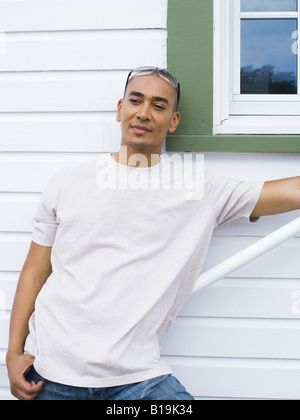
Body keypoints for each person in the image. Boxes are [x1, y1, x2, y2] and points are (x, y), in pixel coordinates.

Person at [6, 67, 300, 400]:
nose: (144, 112)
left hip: (137, 380)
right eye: (136, 100)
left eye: (159, 106)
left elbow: (286, 192)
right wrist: (13, 353)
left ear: (173, 121)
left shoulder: (199, 189)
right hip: (49, 375)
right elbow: (34, 273)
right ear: (120, 109)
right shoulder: (66, 183)